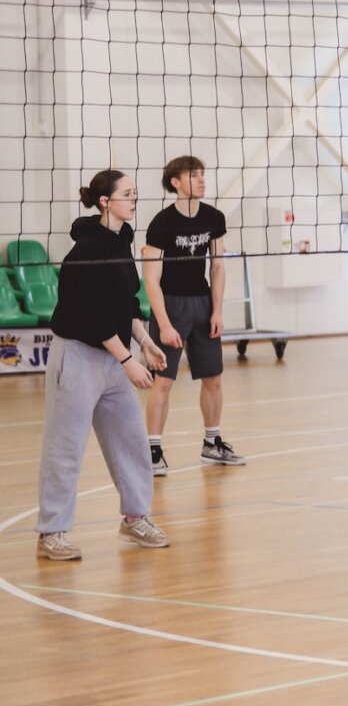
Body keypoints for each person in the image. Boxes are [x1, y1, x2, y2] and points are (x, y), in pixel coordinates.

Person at [35, 170, 171, 560]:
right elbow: (93, 316)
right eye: (127, 194)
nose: (134, 199)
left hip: (115, 356)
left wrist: (146, 342)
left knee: (131, 440)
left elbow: (126, 303)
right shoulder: (85, 251)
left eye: (135, 193)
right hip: (78, 356)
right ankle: (52, 532)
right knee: (65, 447)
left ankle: (135, 518)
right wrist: (128, 361)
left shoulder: (122, 239)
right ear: (105, 202)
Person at [142, 156, 244, 475]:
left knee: (213, 377)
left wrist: (217, 311)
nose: (201, 179)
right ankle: (152, 451)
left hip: (202, 302)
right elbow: (151, 279)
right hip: (171, 305)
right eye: (193, 175)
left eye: (202, 174)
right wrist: (164, 323)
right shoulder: (162, 223)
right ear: (175, 182)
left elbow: (217, 266)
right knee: (163, 381)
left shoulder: (213, 217)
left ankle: (212, 444)